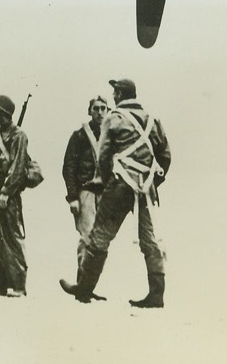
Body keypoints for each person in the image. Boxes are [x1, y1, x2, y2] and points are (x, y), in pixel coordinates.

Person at [61, 77, 171, 307]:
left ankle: (84, 289)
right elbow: (165, 157)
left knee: (99, 236)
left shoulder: (113, 118)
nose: (113, 98)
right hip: (146, 187)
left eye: (114, 94)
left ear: (119, 95)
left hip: (120, 186)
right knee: (149, 239)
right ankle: (157, 295)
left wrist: (106, 181)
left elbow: (103, 157)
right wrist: (150, 183)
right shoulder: (153, 119)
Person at [0, 94, 29, 297]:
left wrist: (6, 192)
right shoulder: (0, 135)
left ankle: (19, 285)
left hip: (6, 195)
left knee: (11, 238)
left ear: (2, 113)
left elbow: (18, 168)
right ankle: (1, 284)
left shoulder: (19, 135)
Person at [62, 95, 108, 291]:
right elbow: (68, 167)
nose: (99, 112)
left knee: (101, 240)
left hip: (105, 193)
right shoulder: (79, 135)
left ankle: (89, 287)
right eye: (96, 108)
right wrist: (73, 197)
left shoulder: (111, 134)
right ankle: (82, 283)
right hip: (86, 192)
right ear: (89, 111)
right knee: (87, 236)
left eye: (103, 108)